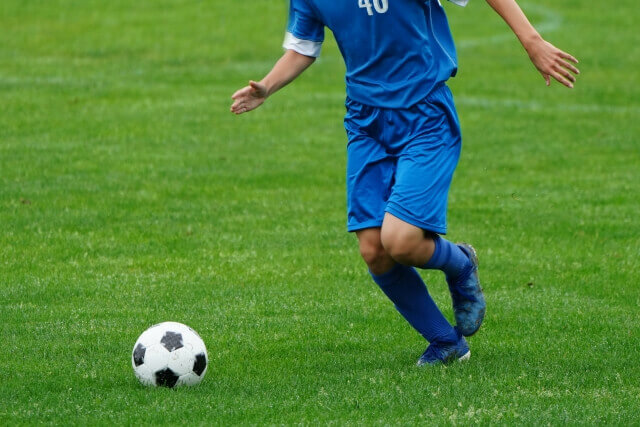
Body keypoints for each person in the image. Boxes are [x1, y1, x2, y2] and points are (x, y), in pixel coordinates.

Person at [230, 0, 579, 366]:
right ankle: (446, 343)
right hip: (366, 122)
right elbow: (302, 48)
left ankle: (459, 263)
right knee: (374, 250)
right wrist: (266, 87)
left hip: (426, 114)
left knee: (400, 240)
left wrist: (532, 41)